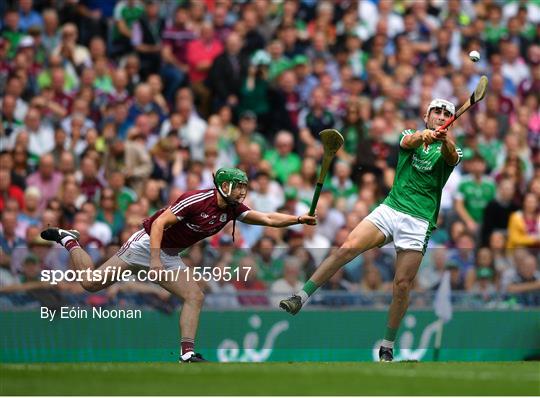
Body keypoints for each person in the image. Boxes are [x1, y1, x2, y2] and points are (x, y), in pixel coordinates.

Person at [41, 167, 316, 362]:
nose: (243, 191)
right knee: (90, 283)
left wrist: (298, 219)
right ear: (224, 185)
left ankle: (187, 353)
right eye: (238, 186)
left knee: (195, 295)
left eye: (244, 186)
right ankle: (69, 240)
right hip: (146, 245)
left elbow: (267, 219)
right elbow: (159, 223)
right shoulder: (197, 199)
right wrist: (153, 261)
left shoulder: (232, 208)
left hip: (170, 255)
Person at [280, 98, 463, 362]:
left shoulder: (453, 148)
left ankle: (387, 346)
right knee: (347, 249)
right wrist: (425, 135)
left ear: (450, 121)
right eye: (436, 110)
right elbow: (408, 143)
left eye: (446, 113)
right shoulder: (411, 134)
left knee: (401, 285)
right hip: (391, 208)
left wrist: (443, 139)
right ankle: (300, 296)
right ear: (426, 116)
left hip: (419, 220)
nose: (441, 114)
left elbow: (451, 156)